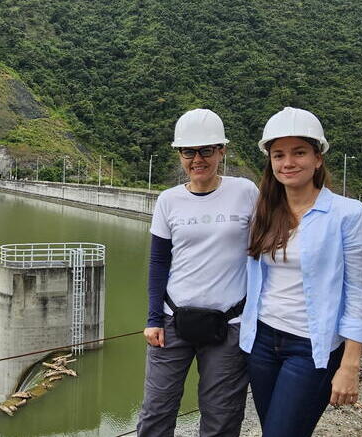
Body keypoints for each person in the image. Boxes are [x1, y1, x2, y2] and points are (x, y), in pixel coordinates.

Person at [240, 107, 362, 437]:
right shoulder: (263, 211)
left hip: (311, 350)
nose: (288, 163)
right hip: (262, 342)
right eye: (278, 154)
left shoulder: (347, 214)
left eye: (299, 152)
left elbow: (358, 293)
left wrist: (350, 365)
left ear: (318, 158)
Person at [137, 108, 259, 437]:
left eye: (206, 150)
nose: (197, 159)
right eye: (189, 152)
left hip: (229, 325)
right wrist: (152, 319)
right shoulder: (168, 201)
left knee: (222, 417)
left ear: (221, 151)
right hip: (172, 322)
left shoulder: (246, 192)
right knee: (156, 413)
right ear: (180, 155)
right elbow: (159, 262)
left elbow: (263, 254)